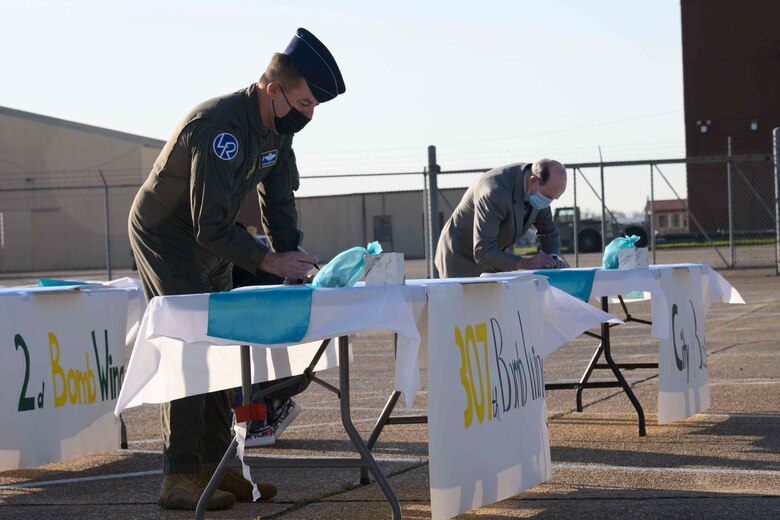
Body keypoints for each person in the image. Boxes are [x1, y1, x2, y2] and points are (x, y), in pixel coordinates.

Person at [128, 28, 345, 511]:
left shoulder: (277, 131)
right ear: (275, 90)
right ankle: (178, 475)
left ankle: (210, 465)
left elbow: (279, 202)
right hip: (169, 236)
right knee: (191, 345)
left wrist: (295, 262)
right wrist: (266, 259)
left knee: (222, 347)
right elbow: (208, 224)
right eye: (305, 102)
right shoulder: (220, 126)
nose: (309, 114)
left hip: (214, 243)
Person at [230, 222, 307, 448]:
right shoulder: (230, 229)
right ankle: (272, 406)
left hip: (257, 311)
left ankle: (257, 422)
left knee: (233, 353)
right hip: (277, 309)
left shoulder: (217, 231)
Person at [435, 159, 568, 278]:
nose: (548, 202)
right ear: (533, 180)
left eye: (553, 198)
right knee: (467, 305)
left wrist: (553, 259)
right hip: (461, 259)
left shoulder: (539, 191)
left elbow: (548, 231)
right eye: (547, 197)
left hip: (493, 262)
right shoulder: (494, 193)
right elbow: (483, 251)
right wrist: (527, 263)